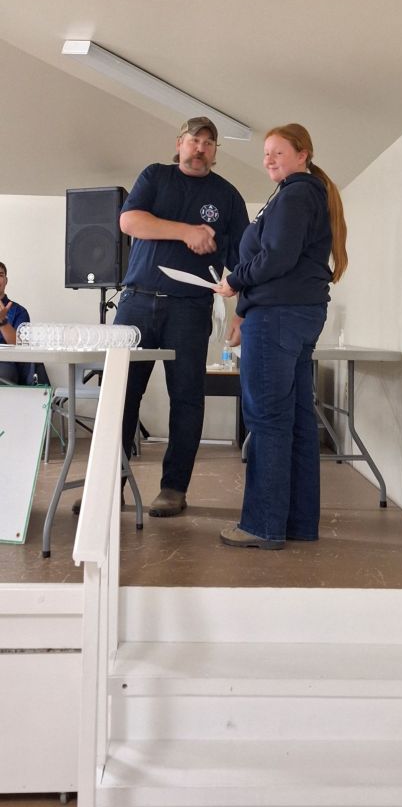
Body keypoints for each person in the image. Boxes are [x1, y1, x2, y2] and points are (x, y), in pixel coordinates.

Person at [213, 123, 348, 550]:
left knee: (268, 420)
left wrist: (235, 280)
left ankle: (262, 525)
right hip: (298, 314)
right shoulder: (303, 193)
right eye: (266, 152)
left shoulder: (295, 194)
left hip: (277, 317)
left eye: (278, 152)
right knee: (298, 420)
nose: (269, 159)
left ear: (303, 154)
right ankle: (297, 523)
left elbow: (277, 257)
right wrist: (244, 304)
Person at [114, 116, 249, 517]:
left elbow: (245, 262)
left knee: (187, 397)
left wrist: (242, 312)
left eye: (209, 142)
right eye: (194, 140)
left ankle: (174, 488)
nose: (200, 148)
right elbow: (129, 221)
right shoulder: (155, 176)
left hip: (189, 308)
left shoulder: (227, 196)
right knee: (121, 394)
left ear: (215, 151)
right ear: (180, 143)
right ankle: (108, 487)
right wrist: (187, 231)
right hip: (136, 303)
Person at [0, 261, 31, 384]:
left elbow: (21, 347)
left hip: (5, 364)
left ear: (6, 281)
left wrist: (3, 322)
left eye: (0, 275)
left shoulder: (19, 311)